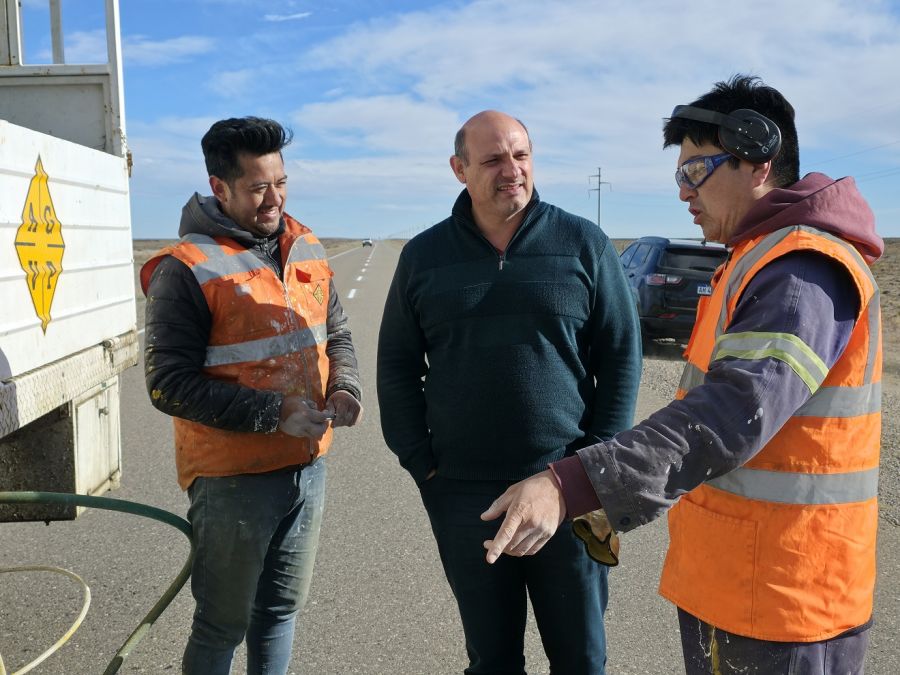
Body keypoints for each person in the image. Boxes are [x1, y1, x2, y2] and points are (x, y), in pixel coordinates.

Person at [481, 75, 883, 674]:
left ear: (758, 158)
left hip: (786, 601)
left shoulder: (800, 271)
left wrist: (571, 485)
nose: (682, 193)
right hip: (739, 583)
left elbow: (732, 413)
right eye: (680, 176)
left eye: (696, 170)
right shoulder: (752, 259)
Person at [376, 110, 642, 674]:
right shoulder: (423, 257)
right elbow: (396, 366)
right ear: (459, 169)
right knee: (491, 660)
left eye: (521, 155)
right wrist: (423, 464)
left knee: (582, 659)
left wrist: (592, 467)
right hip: (463, 494)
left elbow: (621, 357)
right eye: (494, 159)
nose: (512, 170)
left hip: (567, 488)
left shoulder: (583, 243)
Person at [140, 116, 362, 675]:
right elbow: (167, 384)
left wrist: (345, 386)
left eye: (281, 182)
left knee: (280, 612)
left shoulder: (305, 245)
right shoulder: (185, 268)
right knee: (222, 625)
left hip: (307, 470)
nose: (275, 198)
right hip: (232, 480)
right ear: (219, 187)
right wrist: (273, 413)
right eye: (258, 187)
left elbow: (335, 333)